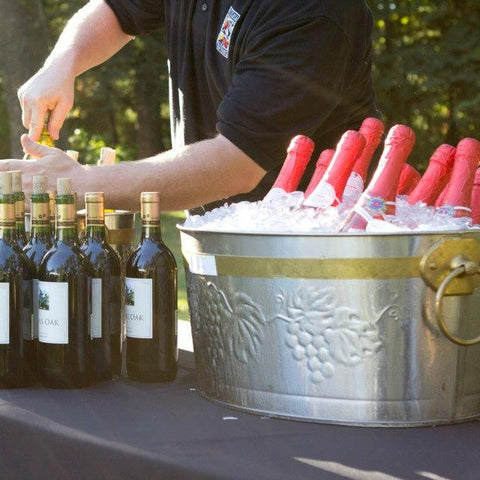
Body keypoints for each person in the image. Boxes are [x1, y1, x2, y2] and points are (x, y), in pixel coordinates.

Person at [6, 0, 378, 213]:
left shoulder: (313, 13)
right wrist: (61, 64)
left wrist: (83, 183)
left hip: (311, 251)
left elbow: (236, 163)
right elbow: (117, 9)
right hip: (214, 236)